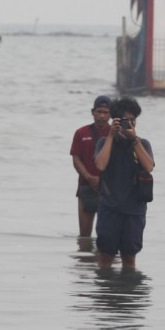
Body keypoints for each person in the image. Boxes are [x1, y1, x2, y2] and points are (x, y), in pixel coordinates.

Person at [93, 97, 155, 269]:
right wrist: (111, 136)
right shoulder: (104, 142)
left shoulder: (142, 143)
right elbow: (100, 165)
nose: (130, 124)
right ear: (115, 121)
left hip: (134, 210)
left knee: (129, 257)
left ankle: (127, 286)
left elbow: (149, 166)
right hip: (109, 208)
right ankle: (105, 286)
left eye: (133, 121)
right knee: (106, 256)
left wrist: (134, 140)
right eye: (125, 121)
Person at [70, 95, 113, 237]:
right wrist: (89, 177)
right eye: (99, 112)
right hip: (86, 187)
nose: (102, 116)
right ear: (92, 112)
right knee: (84, 236)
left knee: (107, 235)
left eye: (105, 112)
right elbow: (76, 159)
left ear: (111, 115)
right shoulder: (81, 133)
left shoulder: (115, 134)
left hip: (108, 190)